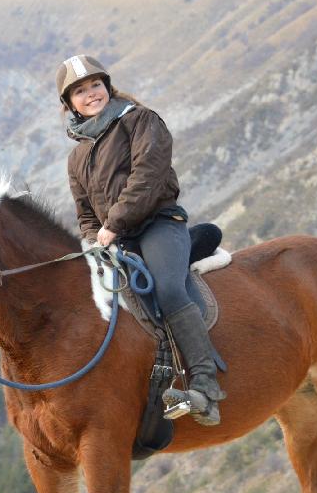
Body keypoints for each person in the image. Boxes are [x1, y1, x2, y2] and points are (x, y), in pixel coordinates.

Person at [56, 54, 226, 426]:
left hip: (157, 224)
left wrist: (113, 225)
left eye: (95, 85)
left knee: (167, 287)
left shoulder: (140, 120)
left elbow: (147, 178)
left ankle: (205, 386)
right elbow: (85, 212)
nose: (90, 94)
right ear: (69, 103)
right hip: (116, 241)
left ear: (107, 86)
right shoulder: (76, 158)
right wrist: (95, 240)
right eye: (80, 91)